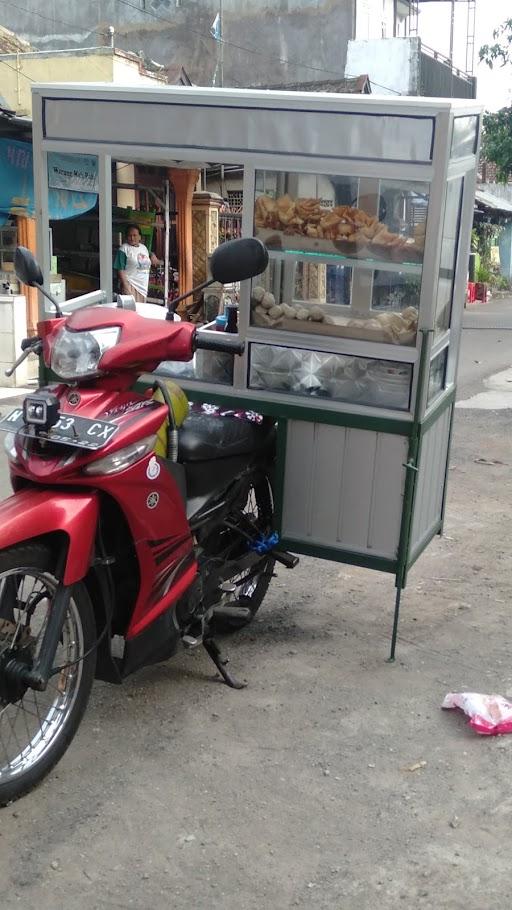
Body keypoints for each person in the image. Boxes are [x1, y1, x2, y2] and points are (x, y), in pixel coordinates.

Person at [114, 224, 161, 302]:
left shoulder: (143, 248)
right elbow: (120, 270)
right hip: (130, 285)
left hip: (143, 287)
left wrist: (153, 255)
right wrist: (126, 288)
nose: (132, 238)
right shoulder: (123, 249)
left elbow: (148, 254)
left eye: (135, 235)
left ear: (140, 237)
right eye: (130, 235)